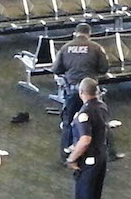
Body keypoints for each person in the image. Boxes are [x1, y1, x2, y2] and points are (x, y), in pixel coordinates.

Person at [52, 23, 124, 162]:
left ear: (75, 33)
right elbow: (104, 68)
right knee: (101, 121)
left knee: (68, 122)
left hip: (73, 90)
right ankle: (111, 153)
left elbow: (56, 69)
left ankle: (65, 157)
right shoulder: (96, 48)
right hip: (91, 91)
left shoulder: (66, 47)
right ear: (89, 34)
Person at [63, 78, 109, 199]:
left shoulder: (84, 113)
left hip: (89, 161)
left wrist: (71, 158)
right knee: (94, 198)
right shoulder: (102, 106)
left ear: (81, 93)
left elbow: (85, 139)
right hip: (101, 157)